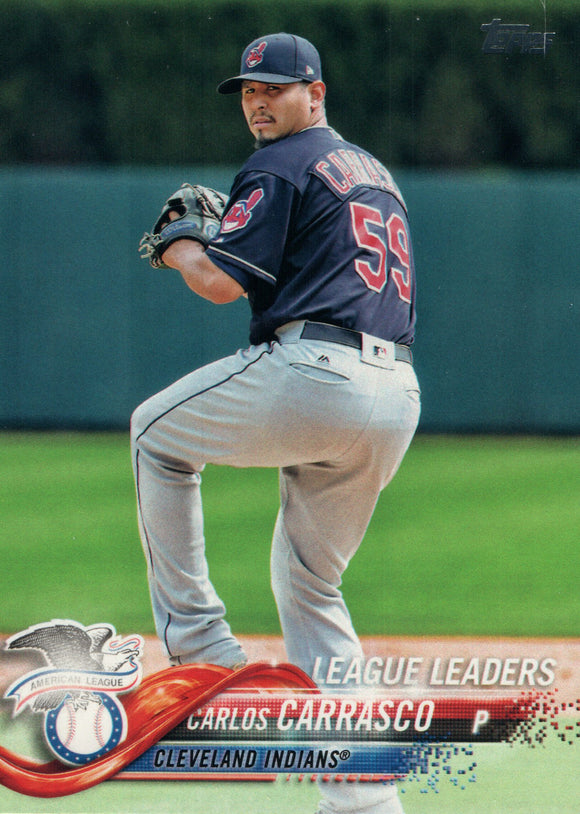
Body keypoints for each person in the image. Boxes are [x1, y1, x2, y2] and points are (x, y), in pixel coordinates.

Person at [131, 32, 420, 814]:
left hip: (318, 376)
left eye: (275, 89)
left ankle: (199, 648)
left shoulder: (282, 162)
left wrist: (181, 244)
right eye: (249, 91)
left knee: (154, 435)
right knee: (311, 587)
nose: (257, 103)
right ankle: (365, 799)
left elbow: (220, 284)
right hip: (396, 392)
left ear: (315, 93)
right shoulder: (376, 174)